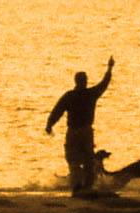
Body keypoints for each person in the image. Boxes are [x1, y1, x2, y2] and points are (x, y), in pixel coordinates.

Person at [46, 57, 114, 194]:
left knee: (73, 160)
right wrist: (109, 68)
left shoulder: (69, 96)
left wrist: (49, 124)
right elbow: (104, 83)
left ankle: (77, 186)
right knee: (88, 160)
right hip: (86, 132)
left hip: (74, 132)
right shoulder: (91, 94)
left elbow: (57, 111)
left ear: (75, 81)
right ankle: (87, 187)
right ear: (84, 81)